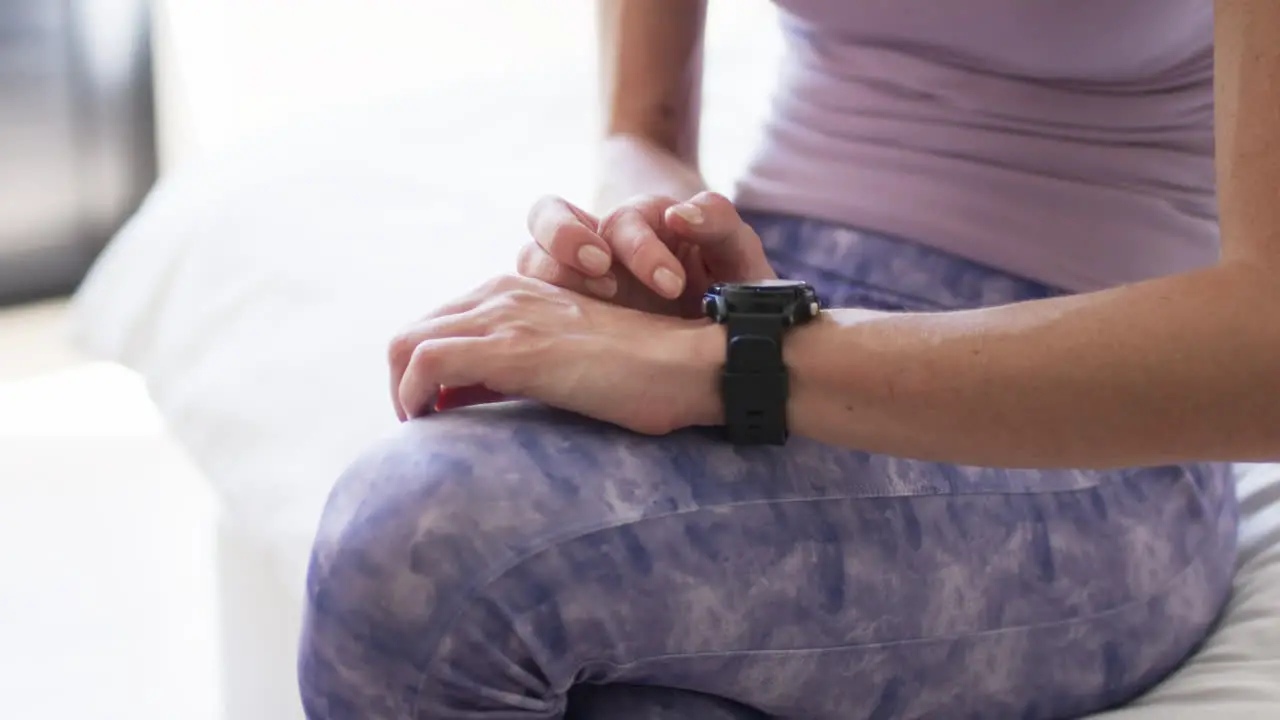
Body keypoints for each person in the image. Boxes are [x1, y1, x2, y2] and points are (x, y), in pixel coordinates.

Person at [296, 1, 1279, 718]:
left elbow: (1261, 357)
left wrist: (733, 361)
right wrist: (648, 235)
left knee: (421, 549)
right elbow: (636, 129)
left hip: (1091, 422)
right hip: (777, 293)